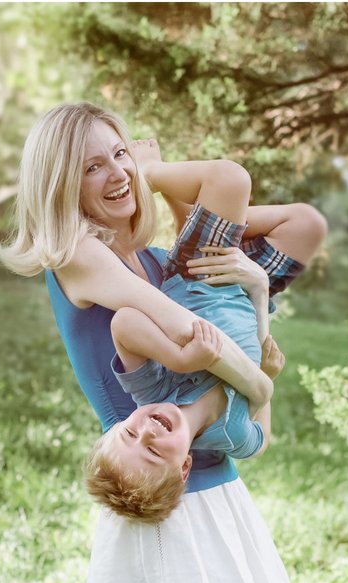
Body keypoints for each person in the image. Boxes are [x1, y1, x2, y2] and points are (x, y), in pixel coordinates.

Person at [0, 102, 326, 583]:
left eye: (121, 155)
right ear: (58, 184)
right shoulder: (75, 256)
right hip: (158, 495)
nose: (117, 173)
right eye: (91, 166)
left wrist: (245, 278)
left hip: (217, 488)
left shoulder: (154, 259)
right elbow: (190, 331)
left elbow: (295, 227)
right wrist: (260, 375)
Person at [86, 154, 312, 523]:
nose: (147, 432)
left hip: (198, 276)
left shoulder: (152, 392)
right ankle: (186, 211)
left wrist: (182, 359)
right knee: (308, 225)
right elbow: (262, 437)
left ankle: (148, 173)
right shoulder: (232, 436)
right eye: (154, 453)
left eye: (129, 433)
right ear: (185, 467)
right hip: (246, 293)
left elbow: (124, 324)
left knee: (231, 181)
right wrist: (258, 292)